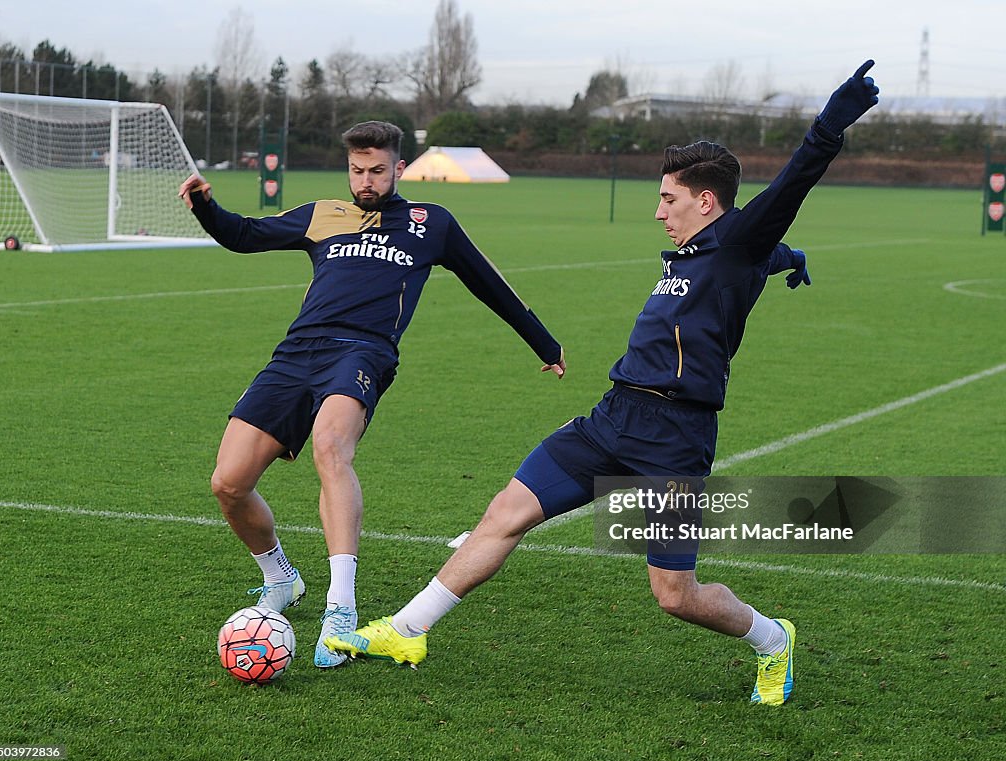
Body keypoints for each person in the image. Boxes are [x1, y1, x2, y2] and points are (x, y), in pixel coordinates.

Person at [324, 62, 880, 706]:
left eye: (668, 199)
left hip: (675, 439)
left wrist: (829, 126)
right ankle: (406, 629)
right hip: (611, 418)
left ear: (706, 201)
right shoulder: (709, 250)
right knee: (505, 512)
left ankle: (771, 638)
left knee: (676, 596)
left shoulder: (737, 242)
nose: (657, 212)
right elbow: (763, 252)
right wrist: (793, 258)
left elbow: (791, 187)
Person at [178, 121, 566, 669]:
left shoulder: (430, 223)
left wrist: (542, 342)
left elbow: (488, 283)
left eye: (377, 170)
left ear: (398, 168)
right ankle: (281, 580)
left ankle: (341, 605)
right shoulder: (323, 214)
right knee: (228, 483)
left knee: (330, 446)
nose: (366, 180)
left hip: (363, 353)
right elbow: (244, 235)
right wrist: (205, 207)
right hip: (296, 354)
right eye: (357, 170)